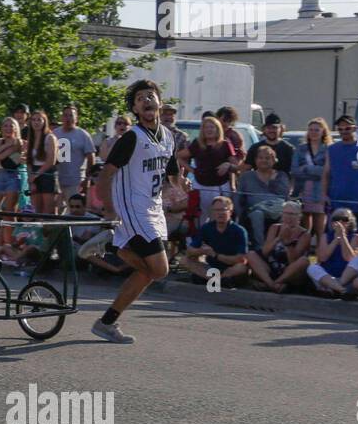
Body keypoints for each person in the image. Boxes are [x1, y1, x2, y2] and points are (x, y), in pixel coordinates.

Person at [92, 79, 181, 343]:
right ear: (134, 108)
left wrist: (178, 185)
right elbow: (104, 176)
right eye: (140, 98)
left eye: (150, 96)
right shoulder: (132, 137)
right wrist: (110, 210)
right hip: (132, 208)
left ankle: (106, 322)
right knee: (160, 270)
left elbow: (173, 170)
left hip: (154, 209)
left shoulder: (168, 136)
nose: (147, 100)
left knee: (149, 272)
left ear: (160, 102)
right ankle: (112, 247)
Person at [178, 114, 237, 225]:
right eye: (206, 127)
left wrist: (228, 165)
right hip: (201, 185)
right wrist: (192, 170)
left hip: (221, 186)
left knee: (220, 216)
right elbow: (179, 157)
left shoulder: (225, 144)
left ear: (217, 128)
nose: (209, 130)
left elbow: (236, 166)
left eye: (212, 127)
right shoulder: (197, 144)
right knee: (200, 217)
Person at [181, 195, 249, 287]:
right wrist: (202, 251)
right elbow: (190, 251)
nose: (220, 213)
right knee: (185, 260)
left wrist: (215, 255)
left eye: (223, 210)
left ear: (230, 212)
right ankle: (217, 280)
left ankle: (215, 280)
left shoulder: (239, 231)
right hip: (211, 267)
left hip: (230, 268)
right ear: (212, 212)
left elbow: (241, 259)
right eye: (216, 210)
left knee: (242, 267)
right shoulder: (207, 227)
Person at [322, 115, 358, 221]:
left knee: (356, 235)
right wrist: (324, 195)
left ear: (355, 128)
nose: (344, 131)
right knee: (333, 234)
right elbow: (326, 174)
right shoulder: (332, 149)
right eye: (340, 129)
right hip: (336, 201)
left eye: (347, 128)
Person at [247, 200, 311, 293]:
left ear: (299, 216)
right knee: (251, 254)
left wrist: (287, 243)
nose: (288, 217)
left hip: (290, 271)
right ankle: (272, 285)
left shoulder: (305, 234)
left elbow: (293, 261)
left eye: (292, 214)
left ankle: (273, 284)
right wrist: (278, 238)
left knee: (304, 261)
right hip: (271, 267)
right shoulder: (274, 228)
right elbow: (265, 252)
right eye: (286, 213)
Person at [236, 143, 291, 246]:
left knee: (287, 215)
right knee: (258, 214)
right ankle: (260, 247)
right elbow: (238, 197)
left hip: (277, 209)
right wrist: (240, 214)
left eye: (267, 158)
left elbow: (285, 196)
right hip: (255, 209)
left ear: (274, 160)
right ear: (256, 160)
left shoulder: (282, 176)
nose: (263, 160)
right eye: (260, 158)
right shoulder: (247, 176)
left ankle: (281, 245)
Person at [306, 208, 358, 297]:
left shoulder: (356, 237)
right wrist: (336, 239)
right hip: (328, 278)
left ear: (350, 222)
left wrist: (343, 237)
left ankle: (336, 287)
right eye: (337, 219)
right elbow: (322, 258)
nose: (340, 221)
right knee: (312, 267)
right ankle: (341, 290)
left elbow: (349, 258)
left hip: (347, 279)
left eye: (345, 219)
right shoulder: (325, 236)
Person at [291, 117, 331, 242]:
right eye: (311, 130)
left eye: (317, 130)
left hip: (320, 190)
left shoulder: (328, 150)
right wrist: (317, 170)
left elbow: (328, 172)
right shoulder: (300, 149)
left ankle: (320, 253)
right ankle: (304, 252)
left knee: (320, 228)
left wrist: (307, 169)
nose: (313, 132)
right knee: (304, 228)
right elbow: (295, 170)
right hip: (302, 190)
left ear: (323, 132)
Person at [53, 105, 96, 212]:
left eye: (71, 115)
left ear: (76, 118)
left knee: (74, 211)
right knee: (56, 211)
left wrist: (88, 178)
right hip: (56, 180)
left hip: (76, 181)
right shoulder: (54, 134)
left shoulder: (83, 135)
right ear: (61, 117)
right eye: (65, 115)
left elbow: (91, 156)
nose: (68, 118)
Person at [24, 110, 58, 215]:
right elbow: (29, 160)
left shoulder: (50, 137)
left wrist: (36, 175)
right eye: (33, 120)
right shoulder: (31, 139)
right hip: (34, 173)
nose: (36, 122)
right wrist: (31, 178)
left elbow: (51, 161)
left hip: (47, 173)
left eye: (39, 120)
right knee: (36, 210)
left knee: (48, 211)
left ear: (44, 121)